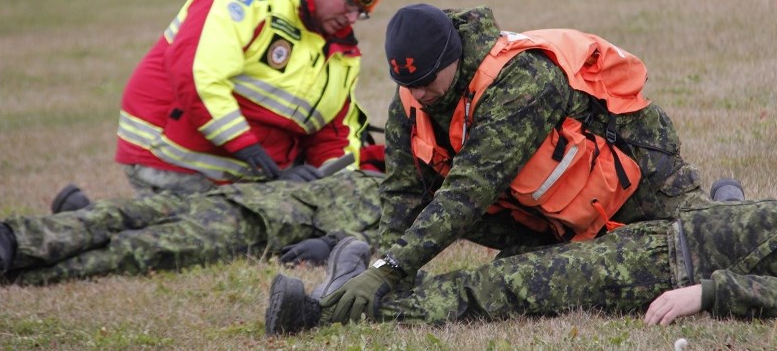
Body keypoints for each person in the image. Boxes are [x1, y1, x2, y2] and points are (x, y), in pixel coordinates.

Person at [324, 3, 724, 322]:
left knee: (713, 247)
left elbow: (468, 192)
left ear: (454, 58)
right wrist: (384, 270)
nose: (420, 94)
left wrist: (389, 268)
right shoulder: (413, 97)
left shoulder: (522, 82)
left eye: (428, 81)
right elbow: (402, 192)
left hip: (641, 192)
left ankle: (725, 201)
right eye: (409, 85)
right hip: (556, 218)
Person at [265, 188, 776, 335]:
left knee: (500, 289)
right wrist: (726, 205)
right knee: (516, 240)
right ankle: (387, 274)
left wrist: (707, 293)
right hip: (662, 234)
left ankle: (319, 312)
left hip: (664, 269)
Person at [114, 0, 385, 196]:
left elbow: (332, 133)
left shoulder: (342, 52)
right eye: (349, 2)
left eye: (361, 11)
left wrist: (338, 191)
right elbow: (199, 77)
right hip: (169, 160)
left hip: (251, 180)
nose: (352, 17)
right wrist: (249, 150)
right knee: (206, 237)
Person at [0, 166, 381, 286]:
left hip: (252, 226)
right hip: (233, 197)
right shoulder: (365, 169)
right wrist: (295, 178)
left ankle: (17, 273)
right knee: (115, 213)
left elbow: (368, 241)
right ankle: (9, 240)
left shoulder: (401, 202)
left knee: (134, 248)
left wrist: (327, 245)